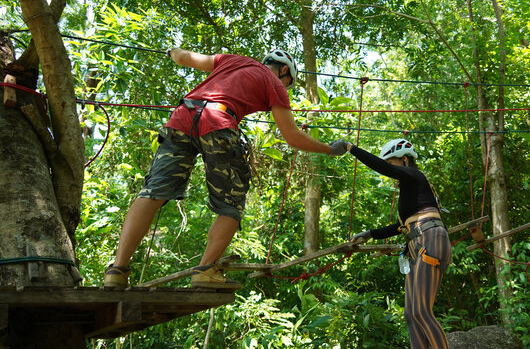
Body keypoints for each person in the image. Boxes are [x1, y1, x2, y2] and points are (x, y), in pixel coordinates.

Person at [104, 48, 347, 289]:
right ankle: (205, 269)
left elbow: (182, 57)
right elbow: (292, 137)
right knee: (231, 202)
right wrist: (329, 149)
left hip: (182, 116)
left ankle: (117, 270)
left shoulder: (232, 60)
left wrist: (170, 51)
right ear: (283, 70)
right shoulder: (274, 83)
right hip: (218, 122)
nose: (285, 88)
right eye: (288, 83)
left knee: (152, 192)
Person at [335, 138, 451, 349]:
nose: (390, 171)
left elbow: (382, 168)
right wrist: (370, 234)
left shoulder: (414, 175)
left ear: (405, 160)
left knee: (422, 312)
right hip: (418, 241)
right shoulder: (411, 192)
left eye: (392, 164)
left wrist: (351, 149)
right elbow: (398, 226)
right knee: (411, 314)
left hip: (429, 238)